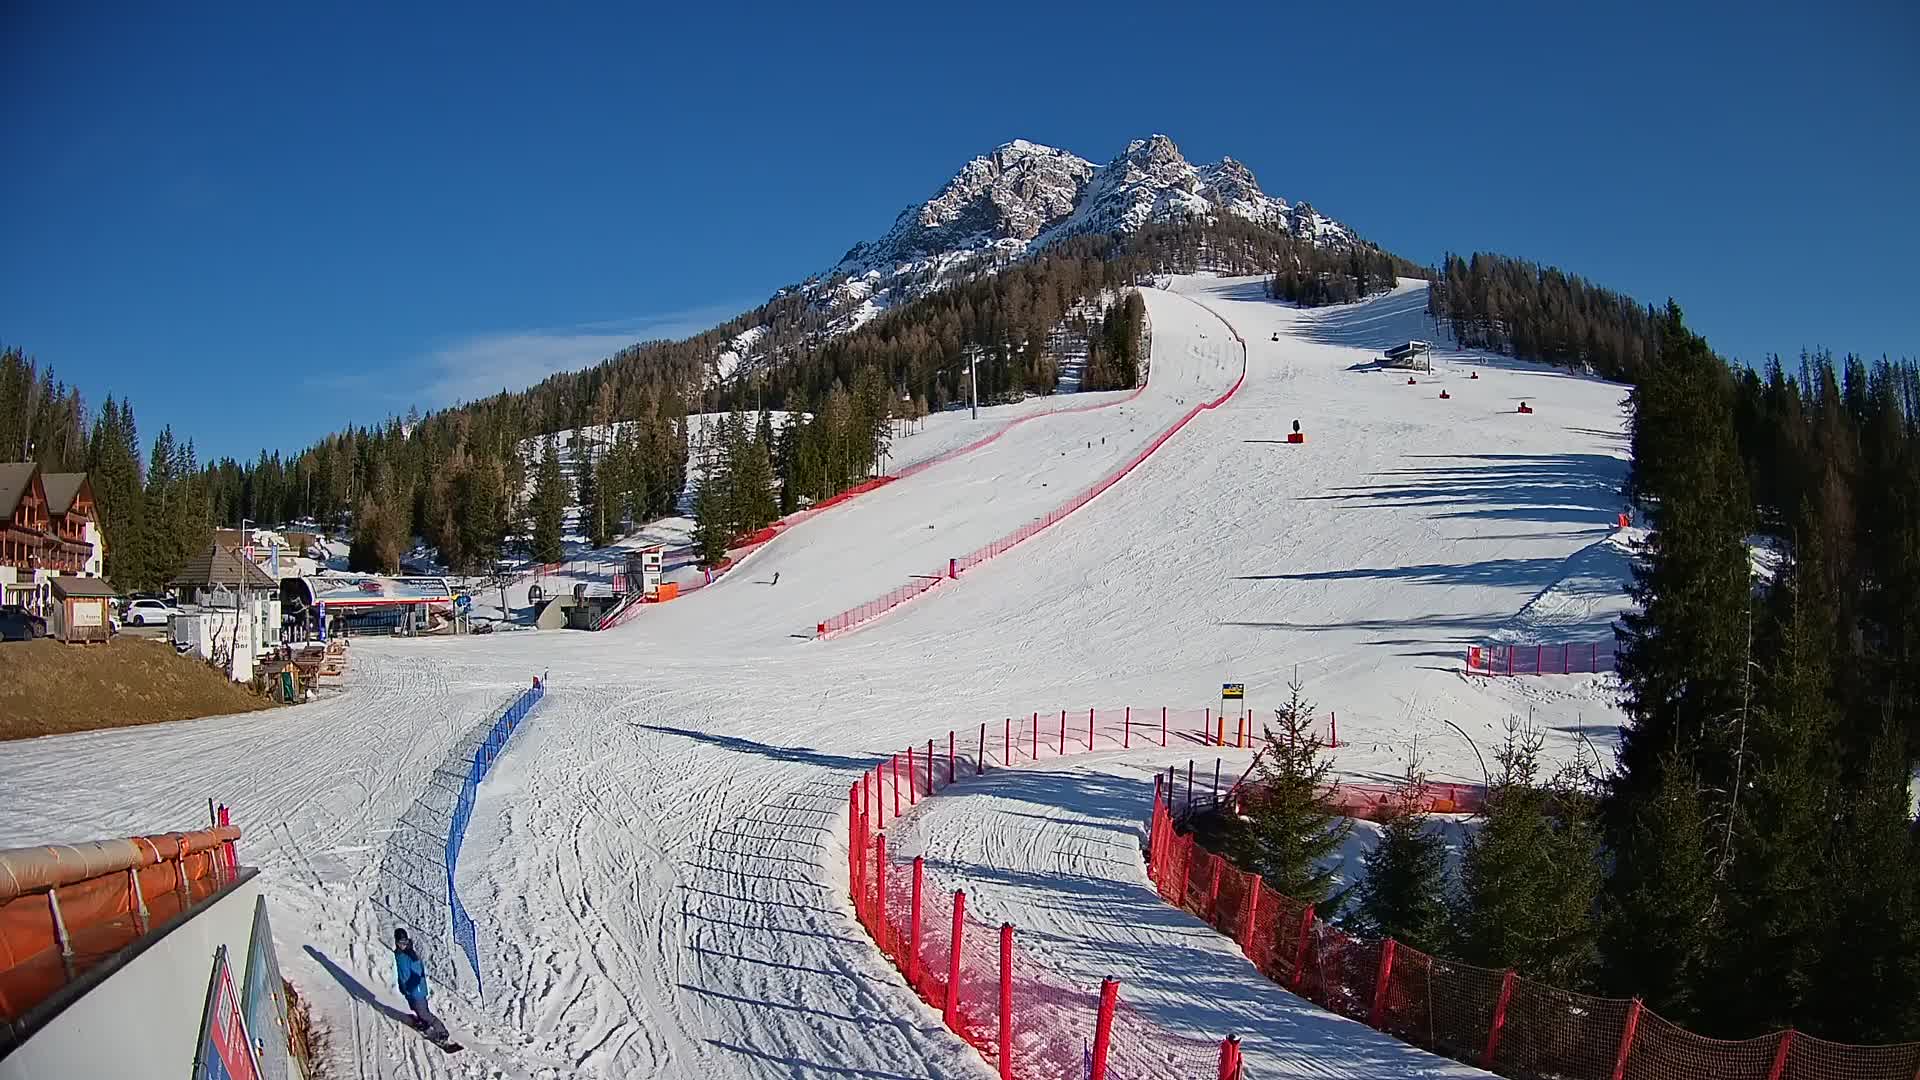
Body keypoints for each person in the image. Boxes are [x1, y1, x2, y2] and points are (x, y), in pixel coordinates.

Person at [393, 929, 448, 1040]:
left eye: (405, 942)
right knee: (415, 1008)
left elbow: (418, 974)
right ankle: (424, 1023)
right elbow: (402, 973)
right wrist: (403, 986)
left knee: (424, 1013)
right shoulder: (399, 954)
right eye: (400, 942)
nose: (403, 945)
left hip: (416, 989)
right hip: (408, 989)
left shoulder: (412, 956)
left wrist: (411, 986)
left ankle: (442, 1032)